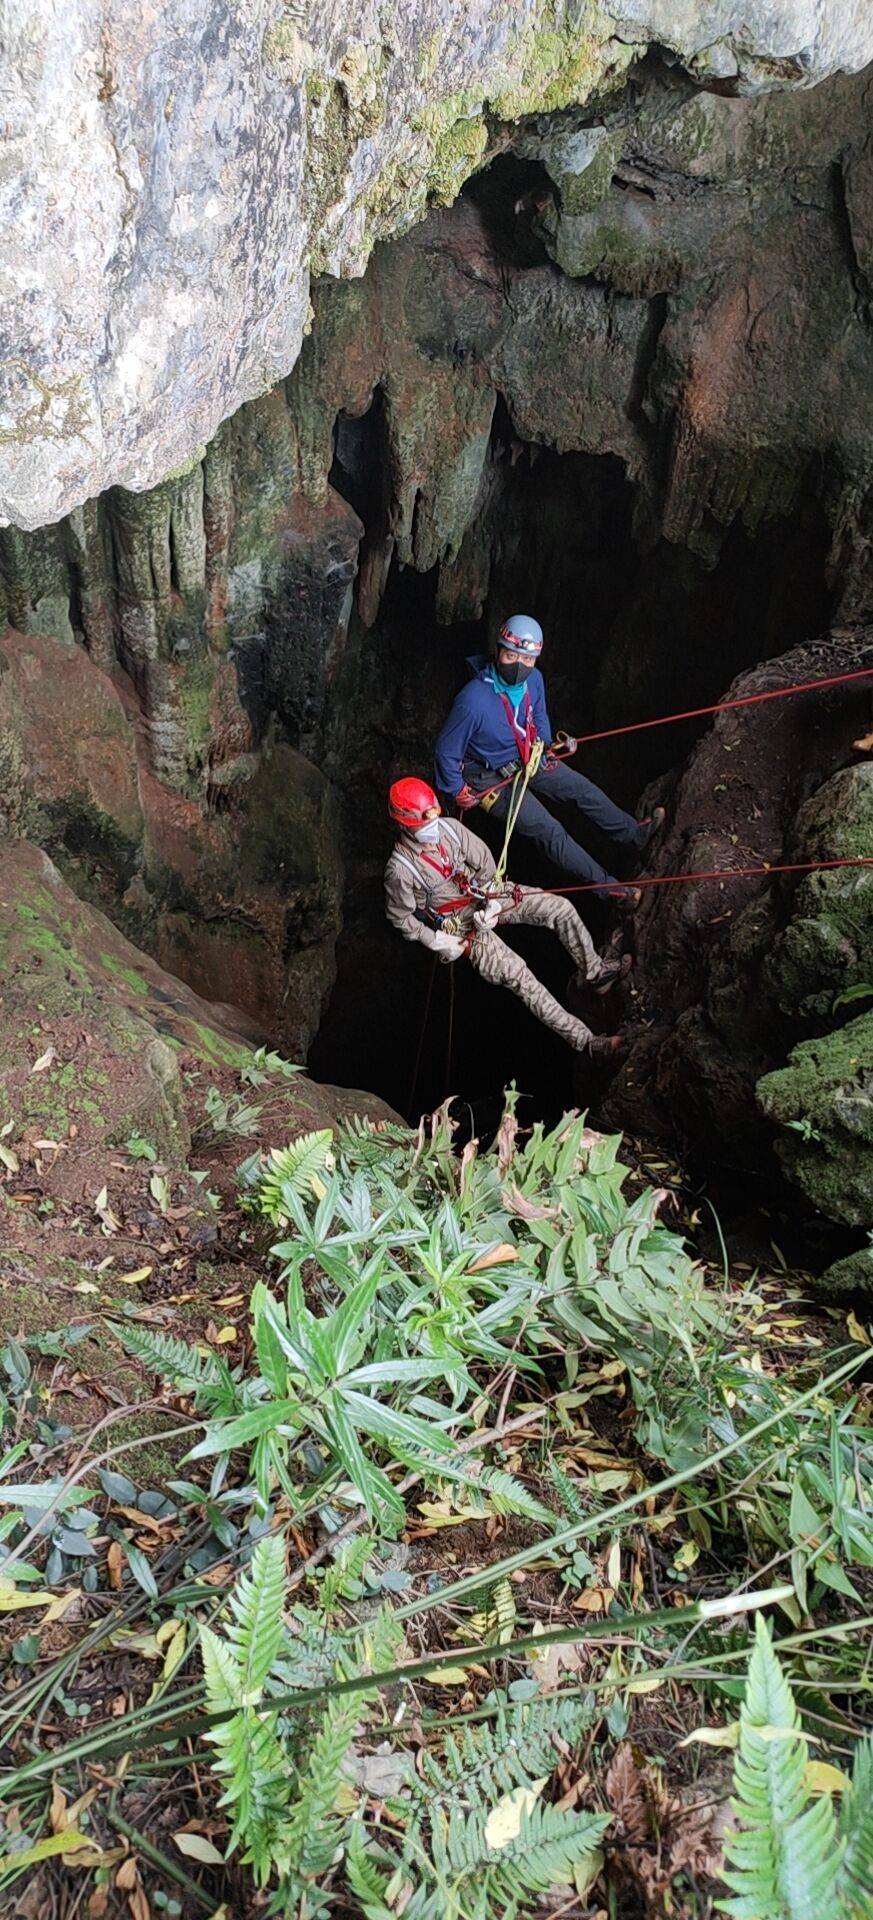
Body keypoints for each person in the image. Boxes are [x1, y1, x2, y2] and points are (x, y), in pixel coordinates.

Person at [384, 776, 629, 1059]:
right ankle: (588, 1043)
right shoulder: (400, 871)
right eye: (424, 824)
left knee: (558, 908)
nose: (432, 828)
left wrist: (491, 899)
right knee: (520, 977)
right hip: (459, 924)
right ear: (404, 824)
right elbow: (401, 918)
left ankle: (595, 972)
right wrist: (439, 941)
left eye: (433, 818)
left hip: (486, 894)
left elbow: (483, 861)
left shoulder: (449, 829)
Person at [433, 613, 664, 899]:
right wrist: (455, 789)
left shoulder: (535, 681)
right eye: (510, 656)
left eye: (527, 660)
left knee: (582, 790)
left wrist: (544, 744)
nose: (519, 666)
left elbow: (539, 716)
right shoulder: (473, 701)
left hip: (530, 756)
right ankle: (612, 891)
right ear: (498, 652)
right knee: (549, 831)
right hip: (488, 775)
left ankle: (634, 835)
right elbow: (446, 750)